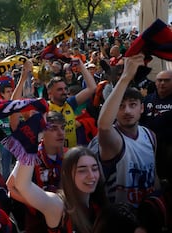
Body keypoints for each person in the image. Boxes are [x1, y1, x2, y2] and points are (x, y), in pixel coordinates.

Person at [96, 54, 157, 207]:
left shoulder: (150, 136)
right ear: (114, 110)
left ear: (142, 108)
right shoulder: (113, 139)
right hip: (121, 221)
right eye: (121, 106)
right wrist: (124, 78)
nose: (127, 111)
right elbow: (103, 126)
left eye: (132, 104)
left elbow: (154, 176)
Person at [13, 146, 108, 233]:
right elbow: (23, 185)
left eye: (95, 169)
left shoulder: (99, 204)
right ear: (68, 175)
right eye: (82, 170)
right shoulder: (58, 206)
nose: (91, 176)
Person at [6, 111, 67, 233]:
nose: (60, 133)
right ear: (42, 132)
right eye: (54, 128)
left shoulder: (69, 155)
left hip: (65, 219)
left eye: (63, 127)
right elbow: (11, 187)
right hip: (37, 223)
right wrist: (38, 203)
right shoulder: (30, 155)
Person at [46, 57, 97, 148]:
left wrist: (81, 66)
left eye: (65, 89)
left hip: (71, 155)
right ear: (50, 93)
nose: (64, 92)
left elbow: (92, 88)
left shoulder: (70, 103)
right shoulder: (44, 107)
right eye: (59, 89)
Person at [140, 70, 172, 182]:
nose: (162, 83)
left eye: (166, 80)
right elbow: (140, 120)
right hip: (148, 145)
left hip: (167, 146)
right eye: (159, 80)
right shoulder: (147, 99)